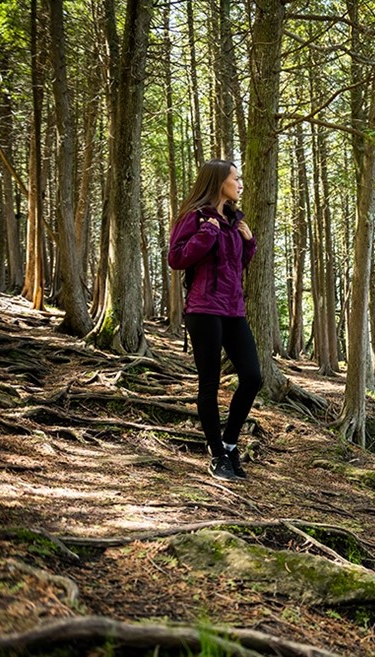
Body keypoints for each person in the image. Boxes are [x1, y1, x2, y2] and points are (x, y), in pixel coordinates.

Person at [168, 159, 262, 481]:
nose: (240, 184)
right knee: (208, 383)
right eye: (236, 178)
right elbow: (176, 258)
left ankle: (230, 443)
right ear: (219, 181)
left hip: (234, 310)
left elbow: (236, 265)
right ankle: (217, 455)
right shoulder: (195, 217)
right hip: (204, 309)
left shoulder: (234, 221)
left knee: (253, 376)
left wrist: (248, 243)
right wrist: (206, 234)